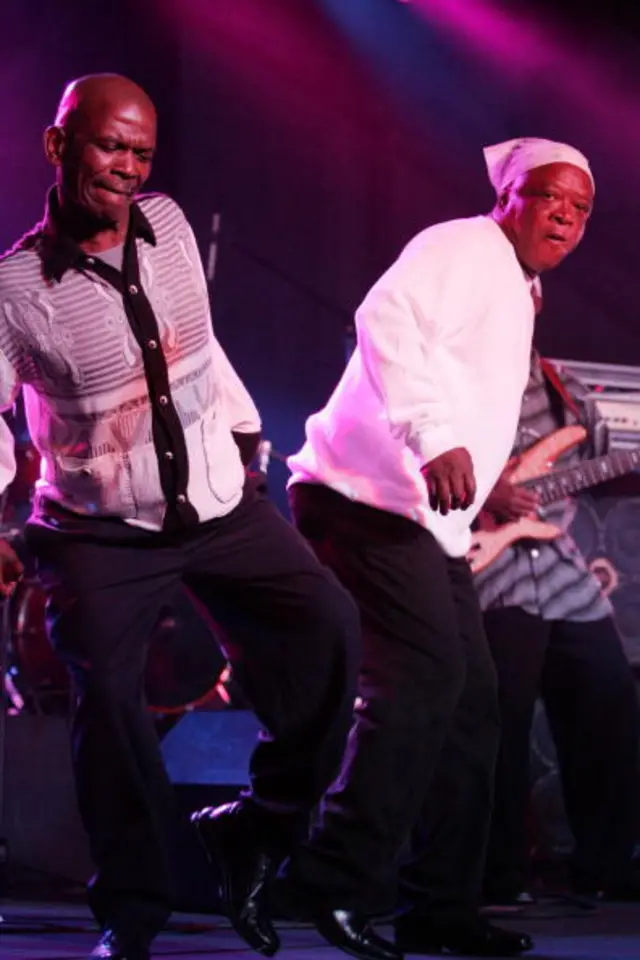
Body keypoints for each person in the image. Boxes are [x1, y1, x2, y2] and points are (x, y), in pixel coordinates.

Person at [0, 74, 361, 960]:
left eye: (140, 152)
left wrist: (244, 435)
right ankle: (131, 909)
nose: (124, 168)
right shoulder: (14, 288)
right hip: (99, 531)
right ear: (58, 147)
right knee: (110, 705)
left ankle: (259, 821)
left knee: (332, 628)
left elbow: (198, 347)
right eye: (106, 147)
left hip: (216, 505)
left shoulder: (168, 230)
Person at [264, 138, 596, 960]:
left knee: (475, 702)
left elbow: (465, 386)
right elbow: (386, 320)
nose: (566, 216)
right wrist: (433, 438)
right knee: (422, 681)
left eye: (583, 209)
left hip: (422, 518)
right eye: (551, 196)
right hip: (359, 498)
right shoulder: (463, 245)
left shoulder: (520, 286)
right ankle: (330, 881)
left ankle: (440, 906)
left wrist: (479, 482)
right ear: (508, 194)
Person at [473, 350, 640, 905]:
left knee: (610, 698)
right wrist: (484, 492)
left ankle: (606, 865)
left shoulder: (558, 384)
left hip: (561, 569)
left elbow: (595, 461)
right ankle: (496, 876)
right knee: (502, 722)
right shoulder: (453, 371)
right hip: (486, 567)